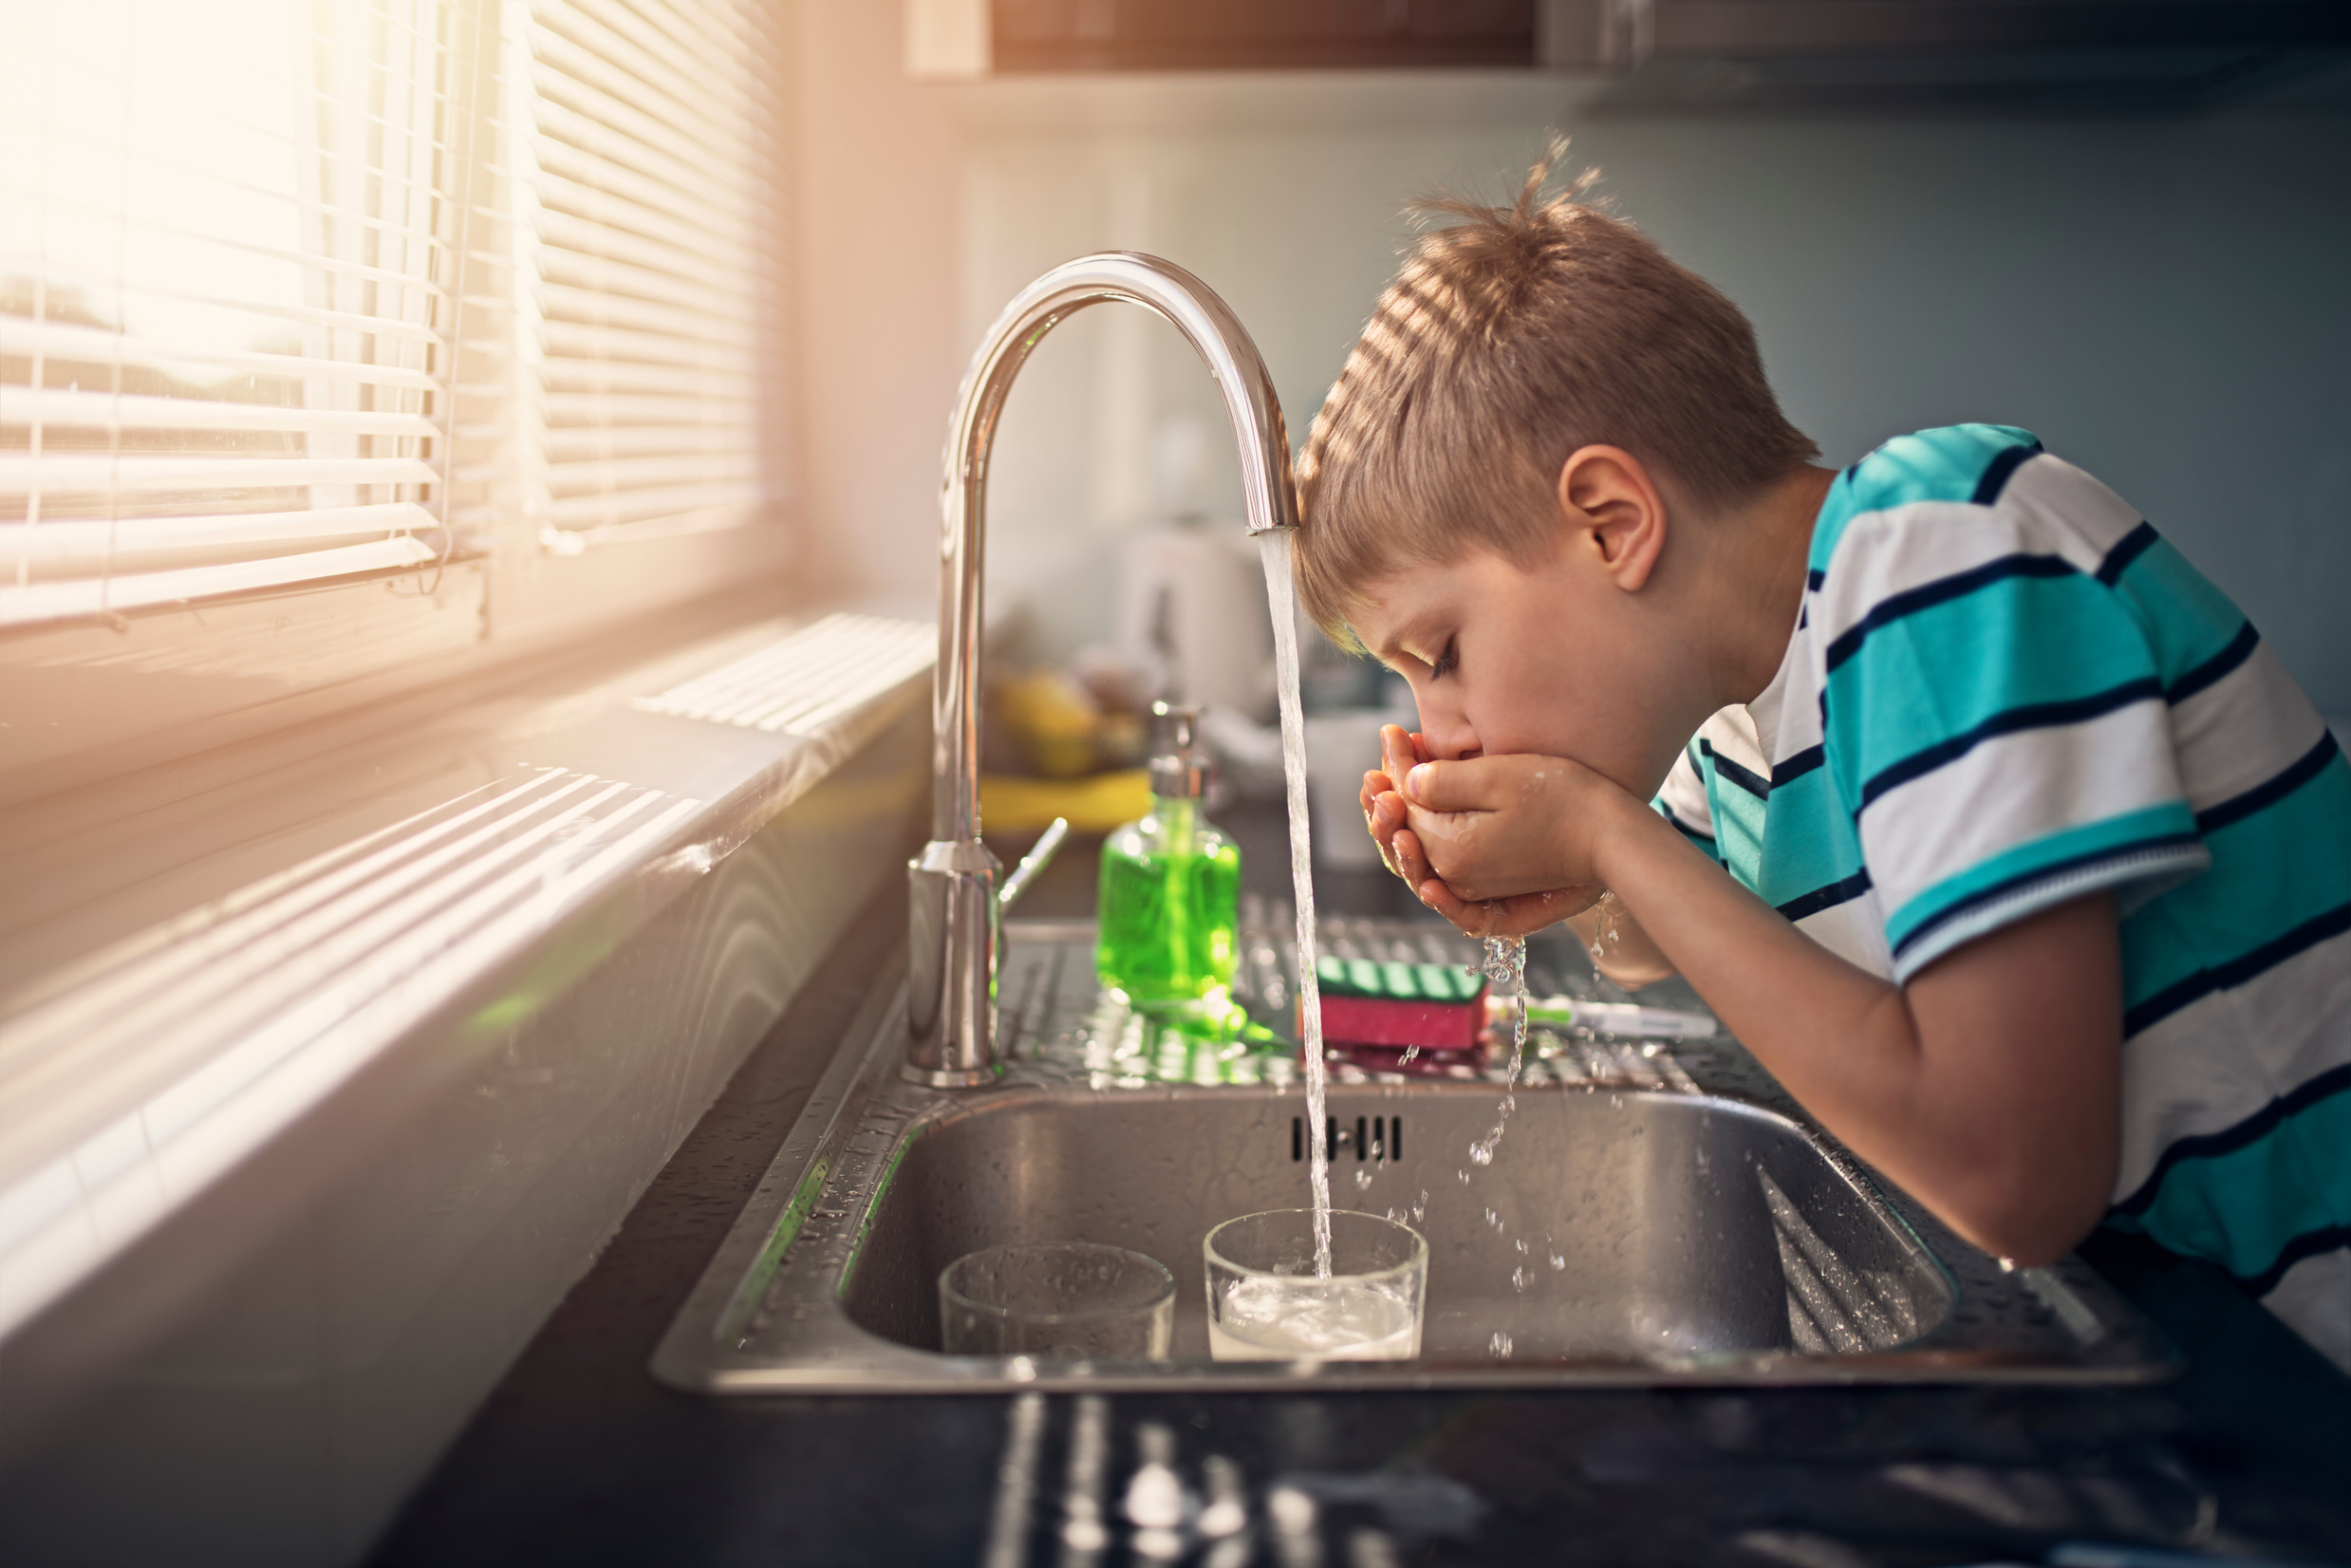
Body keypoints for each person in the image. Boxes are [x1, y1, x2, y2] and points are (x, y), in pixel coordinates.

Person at [1302, 140, 2351, 1372]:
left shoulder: (1935, 552)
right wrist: (1566, 884)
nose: (1436, 727)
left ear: (1609, 523)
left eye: (1438, 652)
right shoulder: (1739, 710)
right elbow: (1654, 942)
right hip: (2228, 1323)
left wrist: (1601, 836)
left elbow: (2010, 1181)